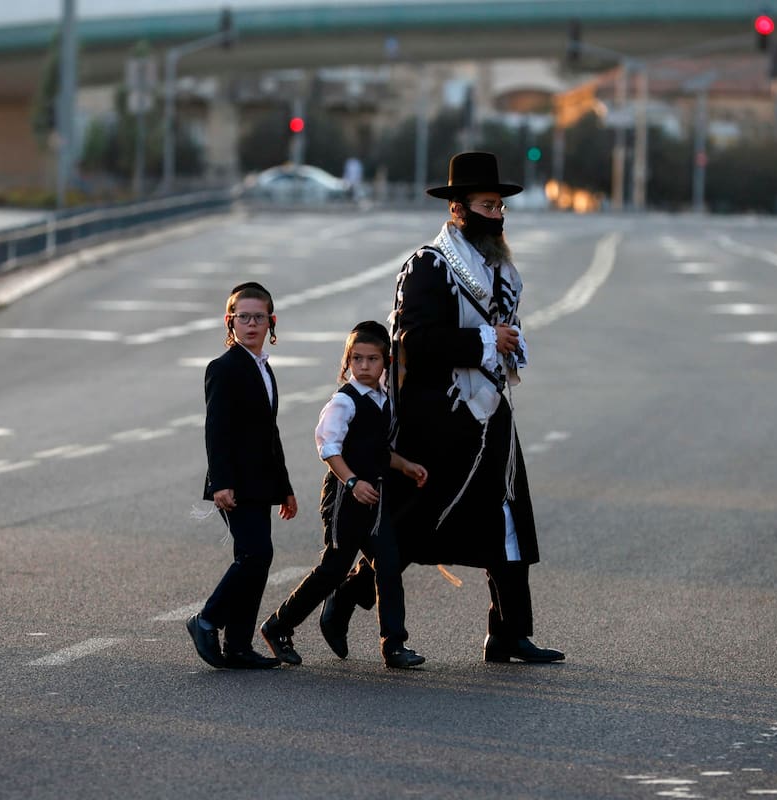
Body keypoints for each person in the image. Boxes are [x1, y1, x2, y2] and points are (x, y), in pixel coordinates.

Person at [321, 151, 564, 664]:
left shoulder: (502, 269)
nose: (497, 215)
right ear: (458, 209)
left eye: (500, 206)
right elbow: (411, 339)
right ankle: (346, 597)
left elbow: (505, 332)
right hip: (438, 417)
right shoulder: (428, 264)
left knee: (506, 518)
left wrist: (509, 345)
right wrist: (483, 340)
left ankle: (509, 632)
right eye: (486, 205)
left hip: (491, 412)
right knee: (415, 525)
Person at [258, 321, 429, 669]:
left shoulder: (384, 400)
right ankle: (278, 626)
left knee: (389, 566)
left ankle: (393, 646)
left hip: (376, 496)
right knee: (334, 569)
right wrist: (352, 482)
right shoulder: (343, 402)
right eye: (357, 359)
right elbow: (329, 448)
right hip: (344, 498)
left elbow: (378, 450)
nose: (364, 366)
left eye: (372, 359)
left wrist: (406, 465)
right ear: (347, 361)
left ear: (387, 361)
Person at [186, 281, 299, 670]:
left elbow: (271, 434)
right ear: (229, 321)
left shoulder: (264, 368)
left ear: (272, 321)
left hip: (261, 484)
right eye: (243, 317)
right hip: (233, 483)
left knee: (255, 558)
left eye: (259, 317)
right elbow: (215, 430)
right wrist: (220, 483)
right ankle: (206, 620)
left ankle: (237, 646)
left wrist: (284, 488)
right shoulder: (224, 368)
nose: (251, 324)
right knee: (256, 554)